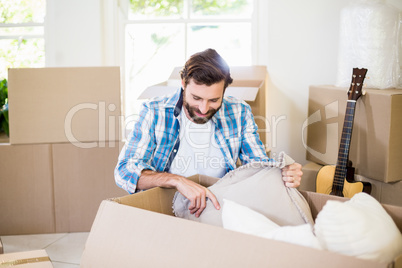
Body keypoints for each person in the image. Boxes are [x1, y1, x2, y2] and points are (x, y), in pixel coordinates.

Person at [115, 48, 302, 218]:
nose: (203, 109)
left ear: (224, 90)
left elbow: (257, 165)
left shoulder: (239, 111)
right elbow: (124, 171)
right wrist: (177, 181)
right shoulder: (154, 111)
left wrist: (282, 171)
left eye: (213, 100)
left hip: (219, 205)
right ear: (183, 83)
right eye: (196, 98)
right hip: (167, 206)